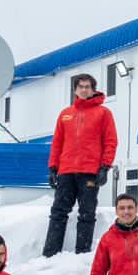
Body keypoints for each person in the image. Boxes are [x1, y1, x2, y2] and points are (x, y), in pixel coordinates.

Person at [43, 73, 117, 256]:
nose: (84, 89)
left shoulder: (103, 113)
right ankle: (50, 253)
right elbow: (57, 142)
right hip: (66, 171)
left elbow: (110, 141)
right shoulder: (65, 114)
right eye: (81, 86)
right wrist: (53, 167)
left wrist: (105, 167)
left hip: (89, 172)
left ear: (93, 90)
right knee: (58, 212)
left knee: (87, 213)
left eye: (87, 86)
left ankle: (82, 253)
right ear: (75, 90)